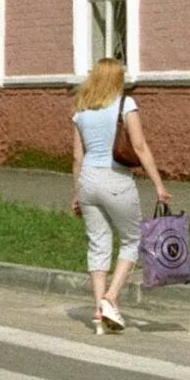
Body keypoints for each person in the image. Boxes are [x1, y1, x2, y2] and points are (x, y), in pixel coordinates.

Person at [69, 58, 171, 334]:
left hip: (88, 180)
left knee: (98, 244)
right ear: (116, 79)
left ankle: (98, 312)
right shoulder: (126, 105)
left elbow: (78, 157)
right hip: (115, 179)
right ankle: (110, 299)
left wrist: (77, 193)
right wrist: (158, 184)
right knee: (133, 239)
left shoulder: (81, 110)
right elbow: (139, 146)